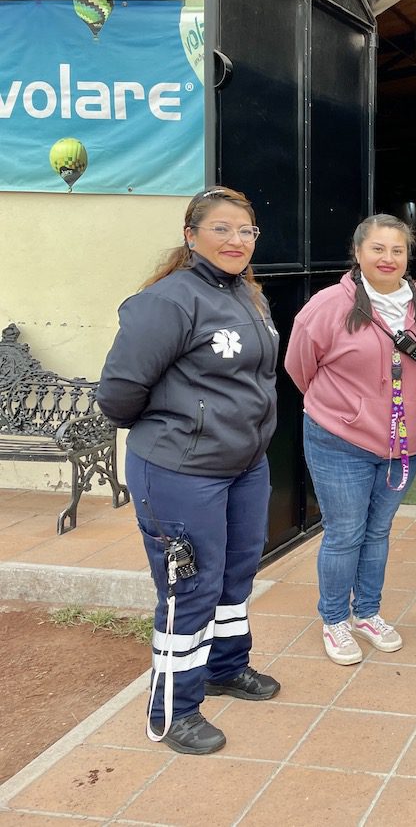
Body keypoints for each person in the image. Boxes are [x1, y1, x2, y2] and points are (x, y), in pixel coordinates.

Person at [97, 186, 279, 755]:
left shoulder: (249, 296)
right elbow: (118, 395)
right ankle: (173, 710)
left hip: (244, 466)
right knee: (189, 588)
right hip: (181, 472)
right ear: (190, 235)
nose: (235, 240)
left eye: (245, 230)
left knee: (234, 576)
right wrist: (182, 426)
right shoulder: (170, 301)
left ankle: (226, 667)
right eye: (221, 228)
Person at [285, 215, 416, 666]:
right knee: (344, 532)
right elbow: (300, 368)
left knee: (378, 531)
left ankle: (367, 613)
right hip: (340, 441)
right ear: (358, 253)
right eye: (378, 248)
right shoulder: (328, 306)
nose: (388, 258)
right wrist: (346, 411)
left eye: (397, 250)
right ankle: (334, 619)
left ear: (408, 256)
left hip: (401, 445)